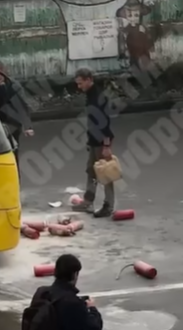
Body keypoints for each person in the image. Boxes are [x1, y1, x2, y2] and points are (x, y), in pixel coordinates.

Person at [72, 67, 116, 218]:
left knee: (106, 174)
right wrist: (90, 141)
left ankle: (108, 205)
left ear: (89, 79)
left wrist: (106, 145)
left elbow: (105, 122)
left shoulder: (98, 96)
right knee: (91, 171)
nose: (79, 87)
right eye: (77, 84)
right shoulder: (90, 95)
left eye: (80, 83)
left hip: (101, 141)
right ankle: (88, 201)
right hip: (94, 141)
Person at [0, 60, 34, 165]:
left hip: (11, 125)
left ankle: (15, 176)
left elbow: (22, 106)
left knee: (12, 152)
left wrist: (27, 126)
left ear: (2, 73)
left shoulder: (12, 86)